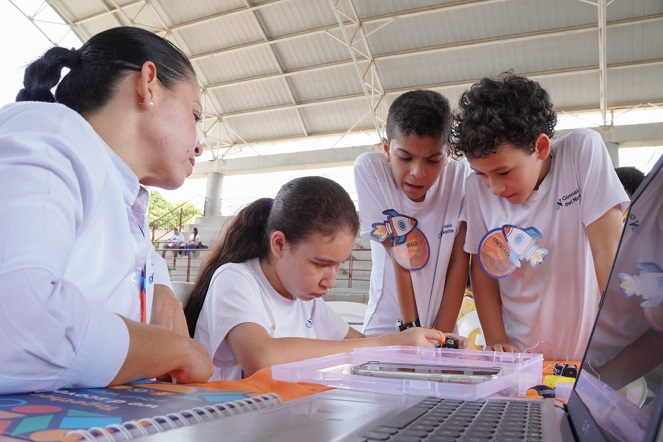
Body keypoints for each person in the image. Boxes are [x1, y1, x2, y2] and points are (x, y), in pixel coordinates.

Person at [0, 26, 213, 395]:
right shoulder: (48, 132)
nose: (199, 146)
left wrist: (160, 283)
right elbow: (16, 320)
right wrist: (168, 349)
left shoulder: (118, 191)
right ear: (148, 84)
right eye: (195, 115)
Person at [184, 176, 461, 380]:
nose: (329, 281)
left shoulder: (305, 299)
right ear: (279, 244)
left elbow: (359, 345)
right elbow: (262, 357)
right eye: (321, 264)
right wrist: (390, 343)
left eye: (338, 266)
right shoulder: (235, 279)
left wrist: (427, 346)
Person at [450, 71, 629, 360]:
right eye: (481, 174)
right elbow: (483, 273)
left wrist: (622, 328)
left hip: (588, 353)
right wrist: (496, 339)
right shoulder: (476, 190)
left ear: (541, 147)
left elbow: (606, 250)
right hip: (521, 354)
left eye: (503, 172)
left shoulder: (581, 153)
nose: (494, 187)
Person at [354, 90, 471, 337]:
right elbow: (400, 254)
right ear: (387, 149)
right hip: (387, 326)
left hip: (443, 325)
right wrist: (410, 329)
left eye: (433, 159)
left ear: (448, 153)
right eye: (405, 157)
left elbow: (459, 260)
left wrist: (441, 336)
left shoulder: (461, 176)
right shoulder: (371, 170)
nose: (418, 172)